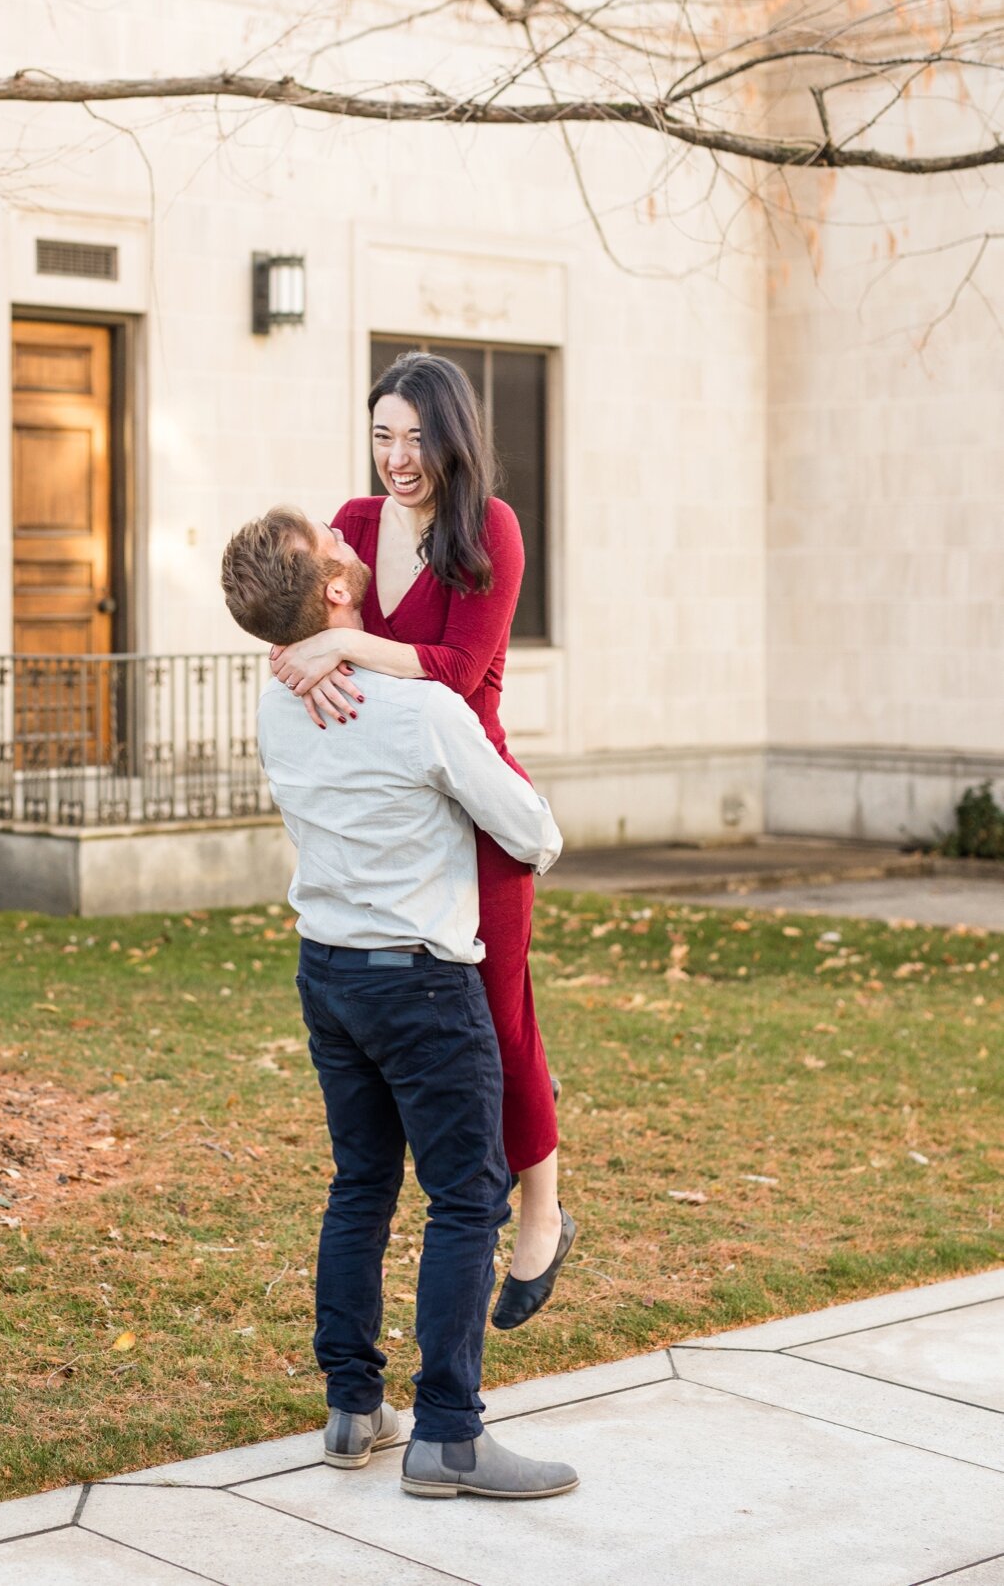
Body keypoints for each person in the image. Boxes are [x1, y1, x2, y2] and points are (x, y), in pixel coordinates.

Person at [222, 505, 577, 1501]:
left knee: (360, 1188)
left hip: (326, 973)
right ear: (336, 595)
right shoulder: (418, 710)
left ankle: (351, 1410)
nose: (352, 543)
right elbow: (530, 832)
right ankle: (450, 1438)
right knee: (467, 1198)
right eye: (336, 550)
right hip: (421, 980)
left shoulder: (276, 702)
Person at [264, 353, 575, 1330]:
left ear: (452, 437)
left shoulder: (490, 532)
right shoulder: (352, 526)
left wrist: (345, 648)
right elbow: (299, 617)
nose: (397, 457)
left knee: (498, 1015)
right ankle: (467, 1202)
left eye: (414, 436)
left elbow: (455, 667)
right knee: (437, 1039)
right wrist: (301, 664)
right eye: (380, 435)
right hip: (394, 818)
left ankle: (540, 1212)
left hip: (477, 809)